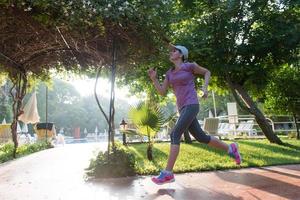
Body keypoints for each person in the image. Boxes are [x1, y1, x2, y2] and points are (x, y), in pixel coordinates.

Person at [148, 44, 241, 185]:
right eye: (171, 50)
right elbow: (162, 92)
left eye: (174, 50)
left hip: (192, 105)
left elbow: (207, 72)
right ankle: (230, 148)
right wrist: (154, 79)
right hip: (182, 108)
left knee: (174, 134)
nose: (171, 52)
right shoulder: (169, 73)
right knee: (201, 137)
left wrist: (205, 88)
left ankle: (168, 173)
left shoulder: (190, 66)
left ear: (181, 54)